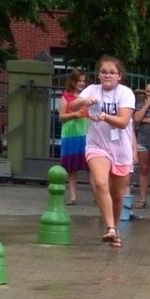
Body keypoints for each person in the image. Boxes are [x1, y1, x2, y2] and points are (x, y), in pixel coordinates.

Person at [77, 55, 138, 247]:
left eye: (112, 72)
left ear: (119, 75)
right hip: (97, 145)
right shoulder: (92, 90)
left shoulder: (126, 93)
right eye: (104, 72)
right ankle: (110, 228)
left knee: (117, 194)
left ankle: (116, 229)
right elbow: (71, 105)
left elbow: (123, 122)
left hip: (120, 148)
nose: (107, 75)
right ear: (99, 74)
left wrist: (104, 116)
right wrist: (83, 102)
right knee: (101, 183)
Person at [58, 69, 91, 204]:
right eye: (79, 81)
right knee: (72, 168)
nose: (82, 83)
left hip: (86, 133)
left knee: (91, 165)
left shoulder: (87, 96)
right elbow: (61, 116)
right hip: (71, 134)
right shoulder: (66, 96)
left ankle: (97, 196)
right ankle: (73, 196)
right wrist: (73, 114)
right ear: (73, 81)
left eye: (84, 81)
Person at [132, 82, 150, 209]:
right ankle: (143, 199)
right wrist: (147, 105)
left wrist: (147, 120)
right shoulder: (140, 103)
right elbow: (137, 118)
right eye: (148, 91)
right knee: (144, 169)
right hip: (143, 140)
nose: (149, 94)